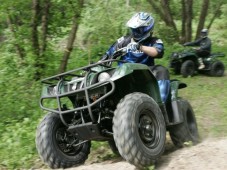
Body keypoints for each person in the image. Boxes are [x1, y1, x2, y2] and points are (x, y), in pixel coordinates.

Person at [100, 12, 170, 103]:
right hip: (123, 73)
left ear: (147, 29)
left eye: (138, 30)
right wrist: (100, 62)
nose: (135, 32)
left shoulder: (154, 41)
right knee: (102, 76)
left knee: (162, 70)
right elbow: (108, 54)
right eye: (133, 29)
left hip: (145, 73)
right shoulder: (123, 41)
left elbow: (157, 51)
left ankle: (160, 105)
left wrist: (140, 47)